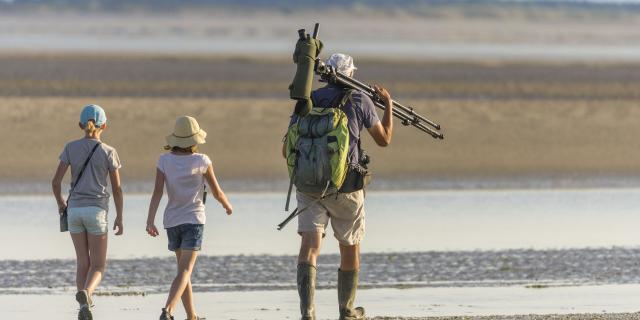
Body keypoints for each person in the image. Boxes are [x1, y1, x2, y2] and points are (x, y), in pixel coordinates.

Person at [284, 53, 394, 320]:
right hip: (346, 186)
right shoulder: (360, 99)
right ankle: (347, 310)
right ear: (350, 74)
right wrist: (388, 104)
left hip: (308, 185)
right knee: (350, 246)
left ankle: (307, 313)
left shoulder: (309, 100)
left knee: (310, 246)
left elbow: (287, 146)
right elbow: (384, 140)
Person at [146, 115, 233, 320]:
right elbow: (217, 192)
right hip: (193, 220)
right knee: (184, 271)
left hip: (172, 221)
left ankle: (192, 316)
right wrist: (227, 205)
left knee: (183, 272)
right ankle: (167, 310)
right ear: (194, 140)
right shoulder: (202, 160)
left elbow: (157, 192)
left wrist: (150, 220)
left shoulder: (164, 160)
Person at [51, 104, 124, 320]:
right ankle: (87, 294)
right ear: (105, 126)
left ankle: (83, 308)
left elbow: (56, 183)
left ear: (81, 125)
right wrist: (120, 216)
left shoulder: (70, 148)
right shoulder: (109, 151)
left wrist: (61, 203)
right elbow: (117, 189)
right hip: (97, 212)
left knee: (82, 262)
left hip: (74, 211)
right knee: (99, 265)